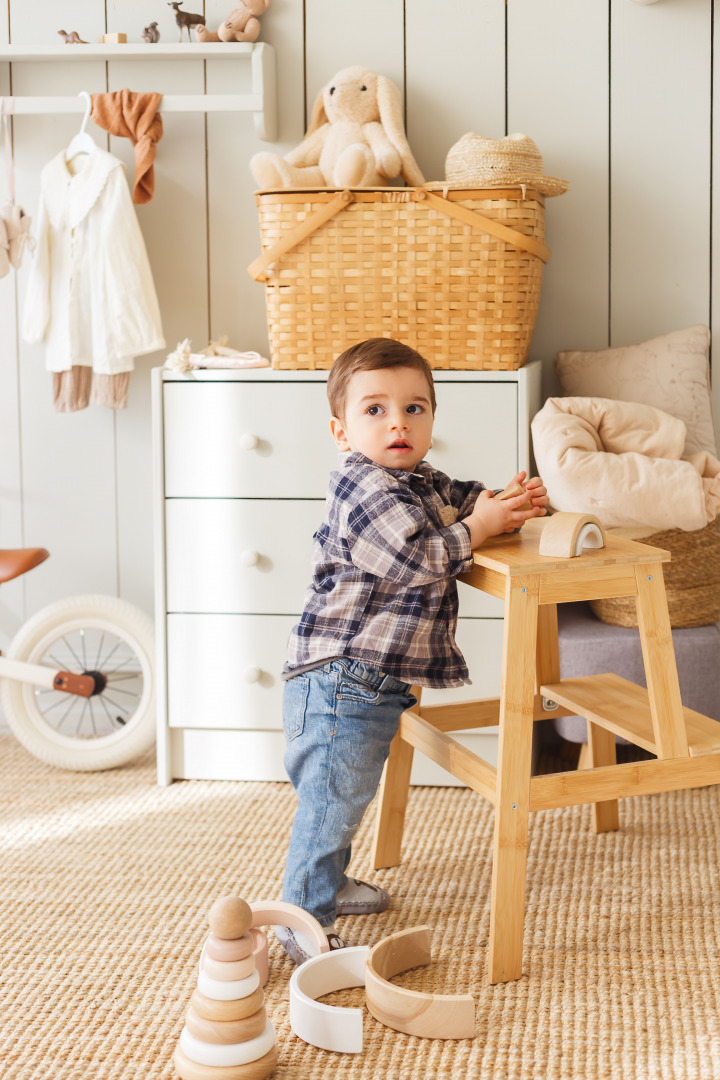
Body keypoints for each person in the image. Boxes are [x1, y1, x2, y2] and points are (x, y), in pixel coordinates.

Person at [275, 338, 549, 965]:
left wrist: (498, 504)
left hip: (369, 679)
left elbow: (463, 497)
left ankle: (330, 883)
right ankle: (300, 918)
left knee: (346, 795)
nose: (398, 422)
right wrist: (477, 529)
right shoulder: (364, 487)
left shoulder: (418, 479)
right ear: (342, 431)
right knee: (331, 800)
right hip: (342, 677)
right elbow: (414, 559)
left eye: (415, 408)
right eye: (375, 410)